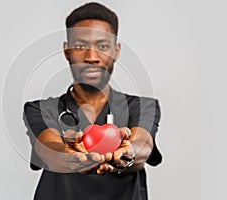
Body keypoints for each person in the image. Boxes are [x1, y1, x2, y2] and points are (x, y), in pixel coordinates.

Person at [23, 2, 162, 200]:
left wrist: (127, 153)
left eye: (103, 46)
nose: (92, 57)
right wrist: (69, 156)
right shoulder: (42, 109)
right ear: (67, 51)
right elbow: (47, 150)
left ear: (116, 50)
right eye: (80, 46)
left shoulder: (142, 107)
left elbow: (142, 146)